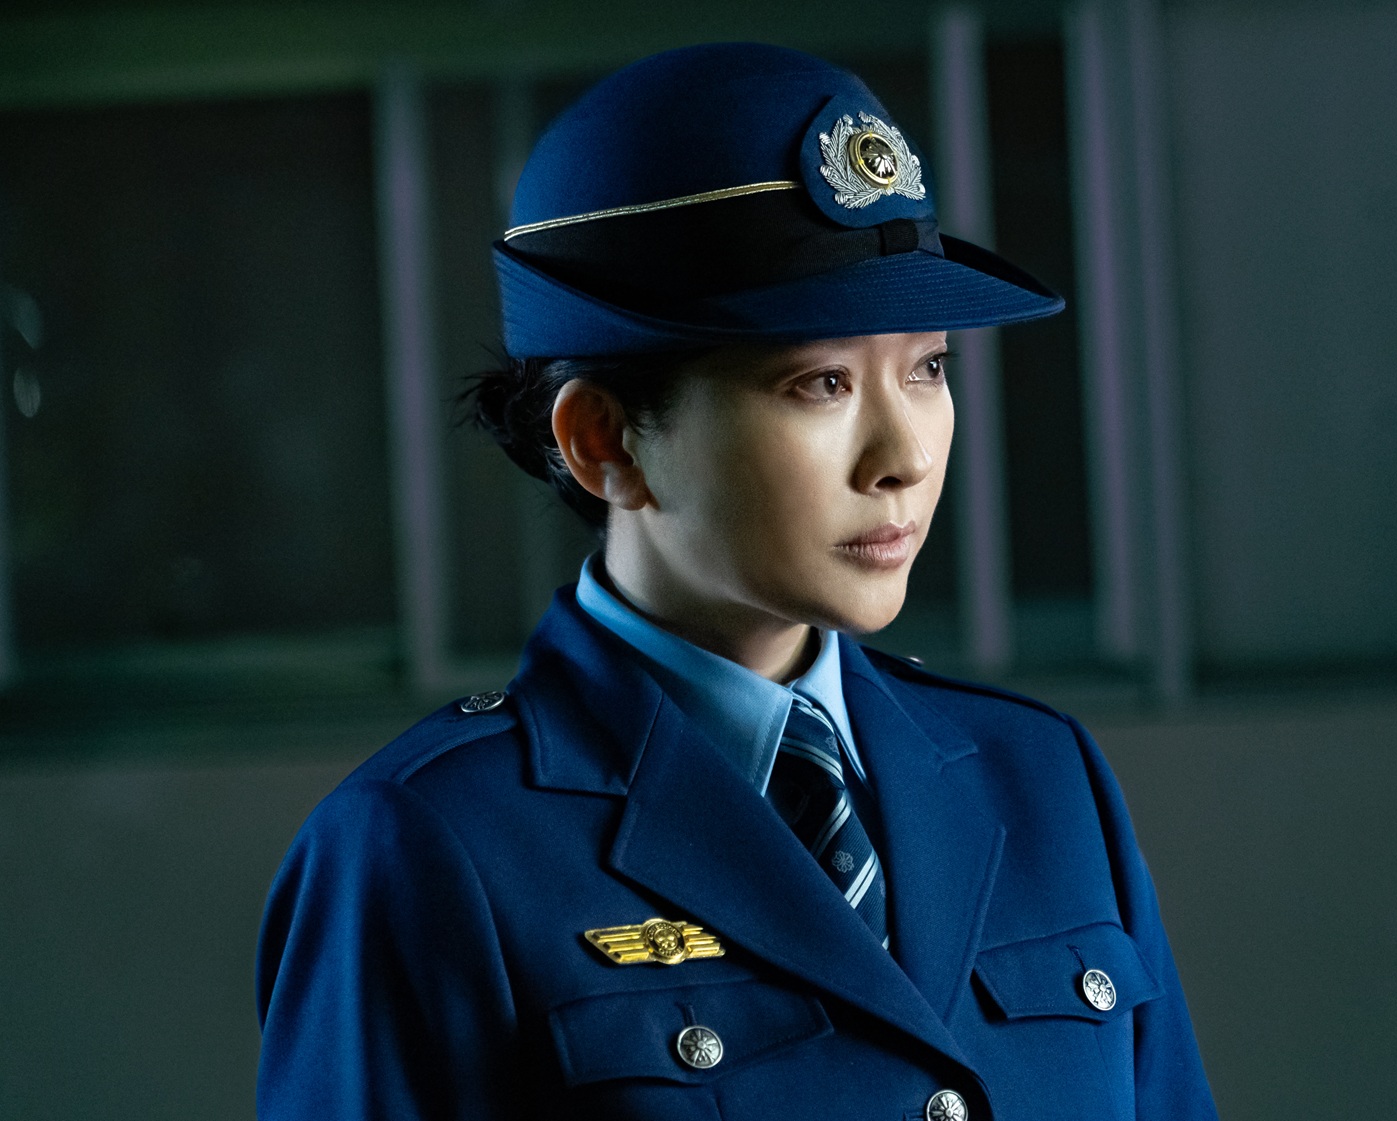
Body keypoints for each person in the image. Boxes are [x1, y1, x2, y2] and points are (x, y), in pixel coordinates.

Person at [255, 42, 1217, 1121]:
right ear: (603, 440)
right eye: (820, 382)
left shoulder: (1040, 776)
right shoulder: (430, 842)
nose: (903, 454)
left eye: (928, 368)